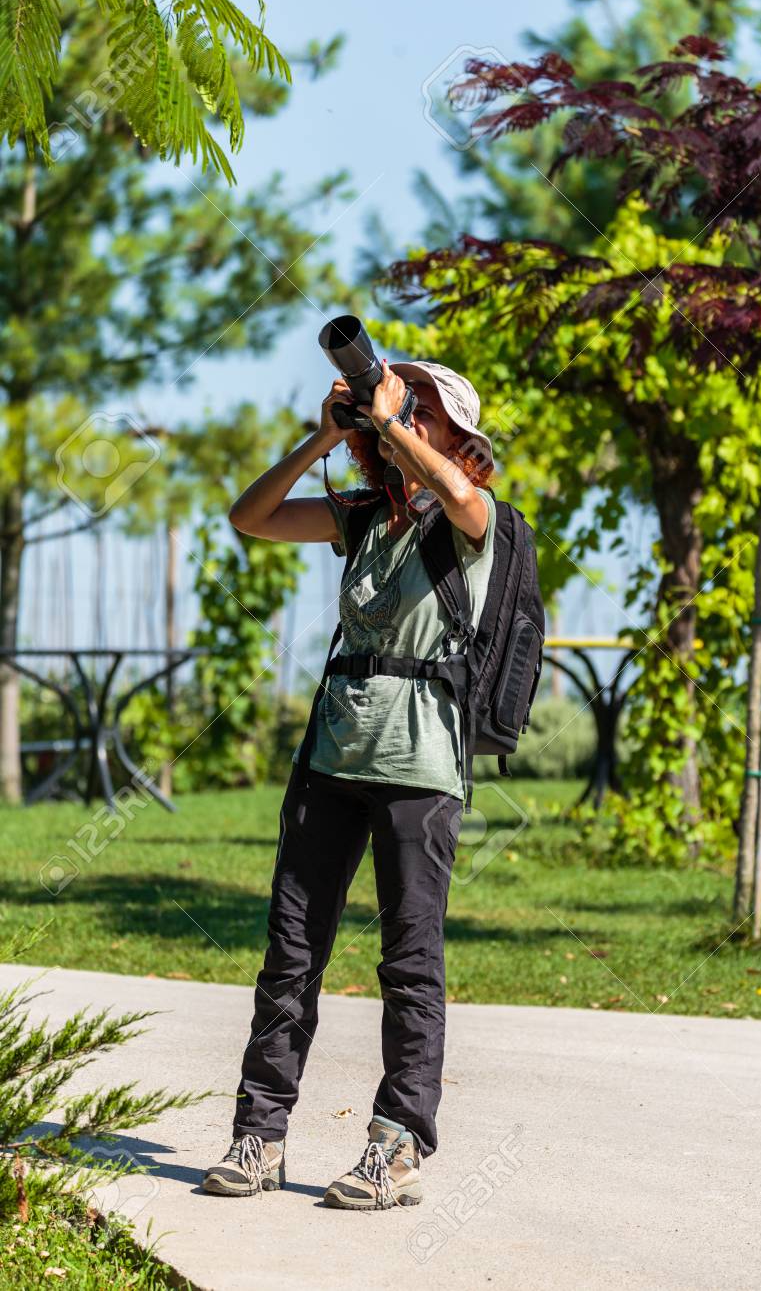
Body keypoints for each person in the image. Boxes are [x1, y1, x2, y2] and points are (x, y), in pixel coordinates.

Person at [202, 357, 496, 1209]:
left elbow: (458, 492)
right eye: (395, 402)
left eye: (419, 407)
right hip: (332, 757)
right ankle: (259, 1136)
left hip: (421, 767)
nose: (398, 414)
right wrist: (324, 438)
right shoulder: (364, 515)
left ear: (455, 433)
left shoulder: (475, 515)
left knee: (409, 962)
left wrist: (394, 422)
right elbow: (249, 517)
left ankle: (396, 1148)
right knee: (290, 952)